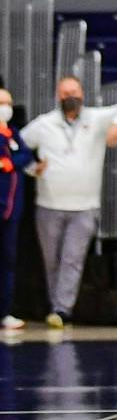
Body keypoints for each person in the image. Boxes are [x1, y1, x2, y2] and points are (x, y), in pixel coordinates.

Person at [20, 77, 117, 328]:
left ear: (82, 94)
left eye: (73, 92)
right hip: (49, 204)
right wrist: (32, 168)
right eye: (65, 93)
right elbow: (16, 146)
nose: (69, 97)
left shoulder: (95, 119)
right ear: (58, 96)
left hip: (84, 206)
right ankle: (56, 307)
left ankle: (62, 309)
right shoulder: (44, 125)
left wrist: (116, 126)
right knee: (51, 261)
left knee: (72, 259)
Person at [0, 85, 35, 331]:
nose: (6, 108)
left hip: (11, 211)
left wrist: (9, 163)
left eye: (8, 103)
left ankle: (4, 311)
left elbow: (26, 156)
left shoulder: (13, 133)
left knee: (8, 261)